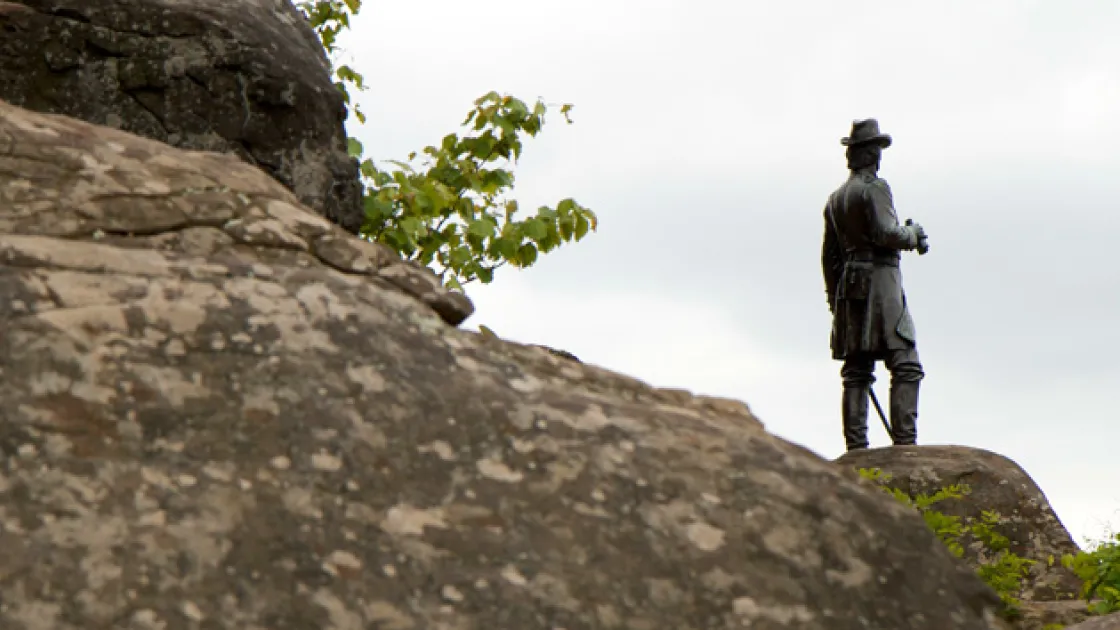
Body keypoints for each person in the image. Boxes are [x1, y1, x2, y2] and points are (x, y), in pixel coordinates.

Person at [821, 119, 929, 452]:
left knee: (856, 369)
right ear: (872, 155)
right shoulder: (875, 189)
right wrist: (913, 235)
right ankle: (905, 445)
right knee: (905, 362)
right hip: (881, 284)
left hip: (849, 289)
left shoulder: (836, 200)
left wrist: (834, 301)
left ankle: (856, 448)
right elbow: (886, 234)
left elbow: (830, 260)